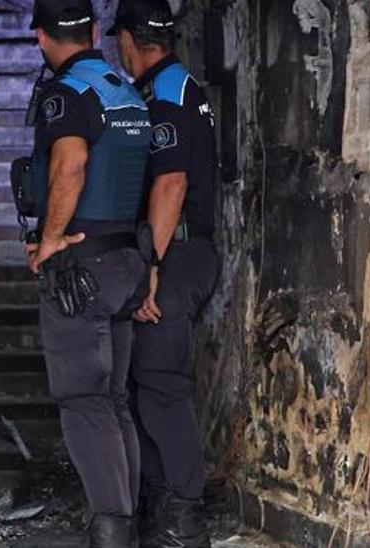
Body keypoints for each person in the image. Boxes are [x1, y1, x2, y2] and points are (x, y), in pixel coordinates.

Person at [22, 0, 153, 544]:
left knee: (83, 401)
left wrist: (50, 241)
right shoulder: (124, 90)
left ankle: (112, 532)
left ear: (40, 38)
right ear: (95, 30)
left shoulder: (67, 94)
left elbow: (70, 163)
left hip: (84, 265)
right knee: (115, 399)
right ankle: (127, 522)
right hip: (127, 259)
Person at [110, 0, 221, 545]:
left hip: (175, 256)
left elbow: (171, 183)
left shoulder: (170, 91)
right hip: (166, 253)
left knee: (159, 387)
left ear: (128, 39)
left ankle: (184, 517)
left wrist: (150, 266)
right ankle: (162, 508)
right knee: (140, 384)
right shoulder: (160, 89)